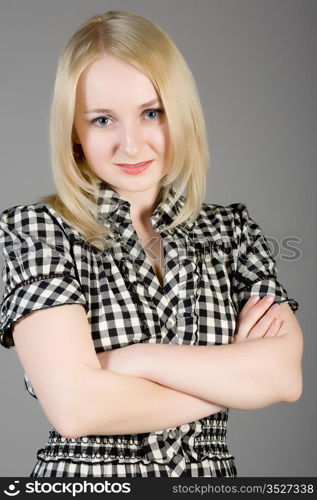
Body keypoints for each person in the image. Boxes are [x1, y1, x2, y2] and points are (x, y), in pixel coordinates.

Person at [0, 10, 303, 478]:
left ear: (179, 111)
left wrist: (131, 360)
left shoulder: (233, 232)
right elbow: (77, 409)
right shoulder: (34, 232)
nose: (132, 143)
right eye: (102, 120)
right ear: (74, 134)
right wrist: (234, 383)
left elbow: (283, 378)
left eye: (151, 112)